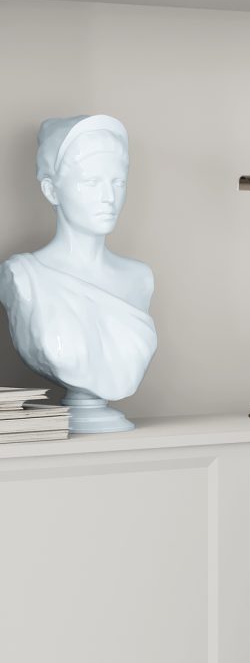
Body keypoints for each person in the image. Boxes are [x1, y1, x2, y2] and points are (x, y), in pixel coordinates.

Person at [0, 115, 156, 433]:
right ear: (51, 190)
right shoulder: (23, 276)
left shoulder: (140, 278)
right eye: (91, 182)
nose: (109, 197)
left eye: (118, 181)